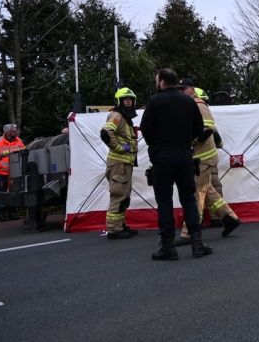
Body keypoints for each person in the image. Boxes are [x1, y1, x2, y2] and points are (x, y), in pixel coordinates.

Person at [140, 69, 213, 260]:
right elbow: (198, 129)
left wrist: (156, 145)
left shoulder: (155, 101)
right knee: (188, 198)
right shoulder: (188, 101)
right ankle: (197, 244)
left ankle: (168, 247)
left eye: (157, 80)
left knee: (164, 201)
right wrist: (184, 141)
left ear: (162, 82)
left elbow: (146, 128)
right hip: (184, 155)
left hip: (162, 157)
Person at [175, 81, 241, 246]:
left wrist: (190, 143)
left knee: (196, 193)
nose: (181, 92)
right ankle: (230, 218)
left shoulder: (197, 105)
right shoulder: (194, 105)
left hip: (202, 158)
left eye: (183, 89)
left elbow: (206, 130)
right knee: (208, 190)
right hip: (203, 157)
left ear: (191, 89)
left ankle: (188, 232)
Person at [99, 87, 139, 240]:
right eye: (125, 100)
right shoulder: (116, 115)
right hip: (118, 164)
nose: (129, 102)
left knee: (124, 196)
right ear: (119, 101)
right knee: (118, 196)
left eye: (131, 100)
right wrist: (120, 148)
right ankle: (114, 230)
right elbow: (105, 132)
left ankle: (120, 226)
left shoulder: (125, 118)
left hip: (124, 164)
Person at [0, 124, 26, 219]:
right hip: (2, 174)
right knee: (1, 194)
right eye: (14, 131)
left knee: (14, 193)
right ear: (8, 132)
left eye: (16, 131)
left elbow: (24, 151)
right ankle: (2, 214)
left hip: (15, 174)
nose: (16, 132)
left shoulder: (19, 141)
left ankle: (13, 213)